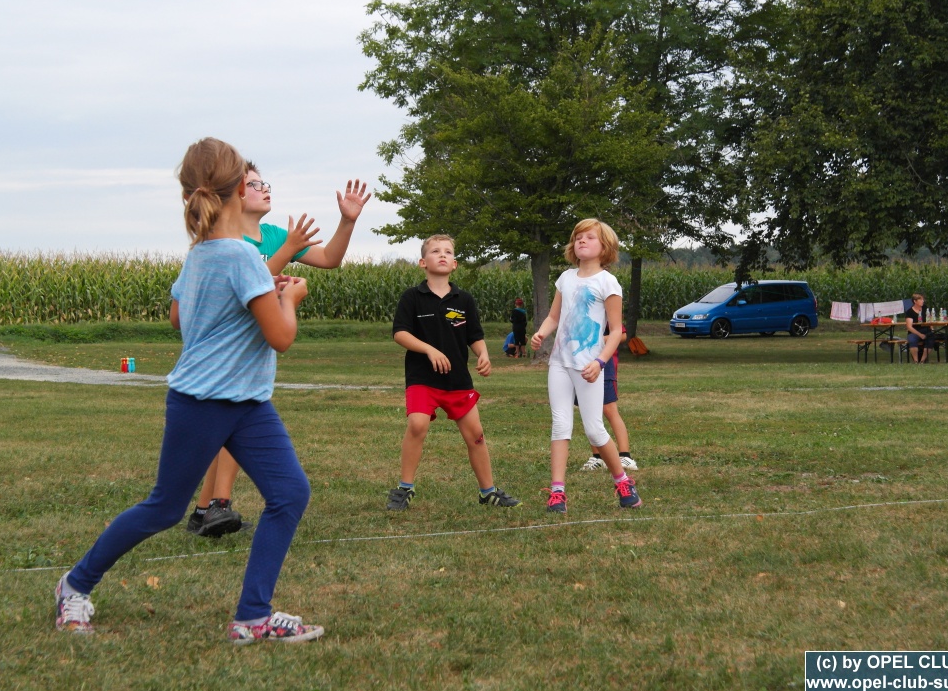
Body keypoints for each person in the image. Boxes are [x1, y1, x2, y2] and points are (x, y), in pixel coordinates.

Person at [56, 137, 323, 643]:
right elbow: (281, 337)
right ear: (240, 189)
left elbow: (179, 317)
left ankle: (252, 617)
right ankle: (74, 585)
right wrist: (291, 296)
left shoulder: (198, 255)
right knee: (162, 507)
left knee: (289, 493)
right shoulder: (243, 258)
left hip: (247, 403)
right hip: (203, 403)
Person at [186, 163, 371, 537]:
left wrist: (347, 221)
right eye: (254, 184)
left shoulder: (271, 234)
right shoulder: (224, 238)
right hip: (226, 346)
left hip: (251, 349)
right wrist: (287, 251)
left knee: (227, 430)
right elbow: (244, 286)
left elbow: (329, 259)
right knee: (235, 422)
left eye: (264, 182)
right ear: (233, 194)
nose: (264, 188)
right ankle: (217, 507)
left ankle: (203, 511)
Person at [386, 234, 521, 511]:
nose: (442, 255)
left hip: (458, 381)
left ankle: (488, 491)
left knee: (476, 435)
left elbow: (475, 336)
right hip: (422, 379)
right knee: (417, 425)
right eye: (436, 251)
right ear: (423, 262)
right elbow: (400, 333)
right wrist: (429, 350)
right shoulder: (412, 297)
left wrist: (483, 354)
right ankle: (404, 488)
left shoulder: (464, 299)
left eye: (448, 252)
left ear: (455, 263)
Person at [530, 218, 642, 513]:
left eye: (589, 238)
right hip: (559, 364)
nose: (581, 241)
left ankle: (623, 482)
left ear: (604, 247)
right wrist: (542, 331)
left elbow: (616, 331)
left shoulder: (608, 282)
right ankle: (557, 493)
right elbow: (554, 316)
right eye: (578, 237)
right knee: (560, 425)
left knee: (594, 430)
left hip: (590, 366)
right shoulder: (565, 278)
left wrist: (599, 361)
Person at [580, 324, 638, 470]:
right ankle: (597, 457)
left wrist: (595, 340)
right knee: (589, 411)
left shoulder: (603, 305)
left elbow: (622, 335)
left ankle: (625, 456)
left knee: (609, 409)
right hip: (584, 365)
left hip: (604, 367)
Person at [903, 293, 935, 364]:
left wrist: (932, 328)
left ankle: (922, 360)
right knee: (912, 339)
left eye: (923, 299)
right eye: (920, 299)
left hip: (926, 329)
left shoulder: (925, 308)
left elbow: (929, 320)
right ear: (915, 301)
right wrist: (920, 334)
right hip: (915, 331)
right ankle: (916, 360)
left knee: (931, 338)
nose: (923, 301)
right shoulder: (910, 312)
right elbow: (909, 327)